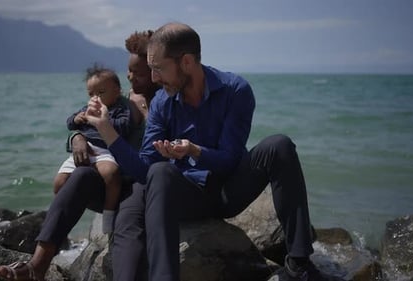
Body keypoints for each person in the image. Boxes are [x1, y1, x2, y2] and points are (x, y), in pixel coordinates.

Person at [84, 22, 343, 281]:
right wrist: (107, 130)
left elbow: (231, 159)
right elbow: (144, 171)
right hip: (189, 197)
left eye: (158, 69)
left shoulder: (235, 90)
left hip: (229, 191)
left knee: (279, 145)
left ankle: (299, 263)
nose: (154, 79)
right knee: (160, 172)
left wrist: (195, 151)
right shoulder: (163, 101)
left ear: (186, 62)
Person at [0, 30, 158, 281]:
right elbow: (85, 126)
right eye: (129, 71)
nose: (131, 77)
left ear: (157, 69)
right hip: (108, 180)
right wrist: (75, 138)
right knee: (79, 176)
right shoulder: (117, 98)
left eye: (140, 73)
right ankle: (37, 266)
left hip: (137, 187)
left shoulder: (166, 101)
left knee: (127, 228)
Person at [52, 64, 131, 235]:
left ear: (117, 91)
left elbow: (124, 127)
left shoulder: (120, 109)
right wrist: (77, 118)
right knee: (59, 183)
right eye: (91, 94)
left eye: (101, 93)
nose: (95, 98)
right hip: (85, 147)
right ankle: (62, 220)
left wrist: (105, 119)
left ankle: (109, 214)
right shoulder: (87, 109)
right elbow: (69, 123)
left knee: (111, 175)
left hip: (106, 150)